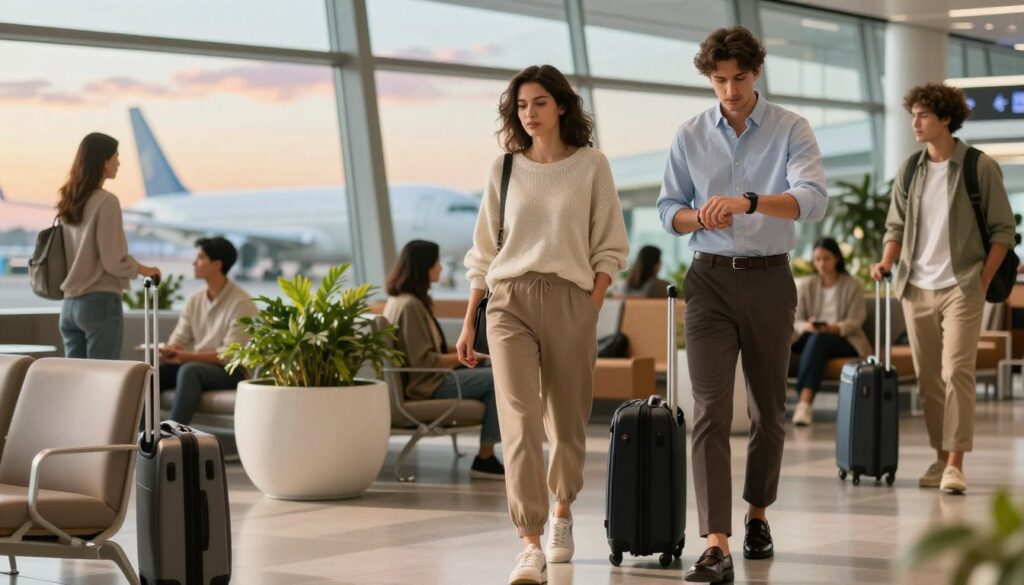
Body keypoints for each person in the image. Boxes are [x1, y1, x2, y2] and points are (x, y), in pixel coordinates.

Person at [656, 27, 827, 583]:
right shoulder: (689, 134)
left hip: (770, 280)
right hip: (706, 280)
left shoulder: (790, 129)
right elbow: (668, 209)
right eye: (719, 81)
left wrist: (750, 201)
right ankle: (716, 542)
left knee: (768, 410)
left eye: (739, 79)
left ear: (757, 73)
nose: (729, 91)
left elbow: (813, 200)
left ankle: (756, 514)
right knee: (708, 410)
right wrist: (697, 216)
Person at [458, 64, 629, 585]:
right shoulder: (503, 168)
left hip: (570, 299)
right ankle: (529, 540)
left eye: (537, 103)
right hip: (508, 300)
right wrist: (470, 323)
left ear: (560, 105)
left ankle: (561, 511)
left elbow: (610, 245)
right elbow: (484, 252)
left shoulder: (592, 165)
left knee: (567, 420)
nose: (528, 114)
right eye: (520, 106)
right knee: (518, 419)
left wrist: (592, 302)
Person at [871, 82, 1015, 494]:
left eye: (923, 116)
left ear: (946, 119)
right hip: (916, 286)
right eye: (913, 115)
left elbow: (1005, 231)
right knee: (929, 378)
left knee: (957, 371)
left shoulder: (978, 167)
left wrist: (982, 280)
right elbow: (895, 225)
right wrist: (886, 260)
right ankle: (939, 457)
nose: (915, 123)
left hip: (962, 285)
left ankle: (955, 463)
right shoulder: (910, 169)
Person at [383, 239, 504, 480]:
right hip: (427, 385)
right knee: (498, 379)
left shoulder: (401, 302)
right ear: (424, 267)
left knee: (493, 369)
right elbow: (424, 361)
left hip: (427, 380)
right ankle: (485, 458)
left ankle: (488, 453)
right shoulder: (410, 306)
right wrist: (467, 357)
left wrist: (471, 352)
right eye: (436, 263)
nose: (440, 268)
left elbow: (429, 350)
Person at [58, 132, 161, 360]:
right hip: (99, 301)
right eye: (116, 156)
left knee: (74, 380)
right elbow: (113, 260)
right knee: (103, 381)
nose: (119, 163)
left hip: (69, 306)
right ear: (104, 161)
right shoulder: (107, 201)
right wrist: (146, 270)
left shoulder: (70, 200)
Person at [160, 237, 258, 424]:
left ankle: (174, 438)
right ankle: (143, 438)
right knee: (150, 373)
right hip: (198, 366)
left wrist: (185, 356)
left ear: (216, 264)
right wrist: (171, 350)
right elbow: (180, 337)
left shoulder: (242, 303)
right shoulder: (195, 299)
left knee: (190, 370)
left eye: (200, 257)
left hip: (231, 372)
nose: (194, 263)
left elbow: (229, 357)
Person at [790, 238, 871, 426]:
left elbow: (855, 320)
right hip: (810, 337)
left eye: (826, 258)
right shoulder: (807, 284)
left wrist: (834, 328)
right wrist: (807, 326)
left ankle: (804, 403)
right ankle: (802, 404)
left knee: (821, 339)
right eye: (817, 259)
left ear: (836, 259)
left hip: (843, 339)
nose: (821, 264)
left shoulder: (852, 285)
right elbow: (796, 319)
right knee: (817, 339)